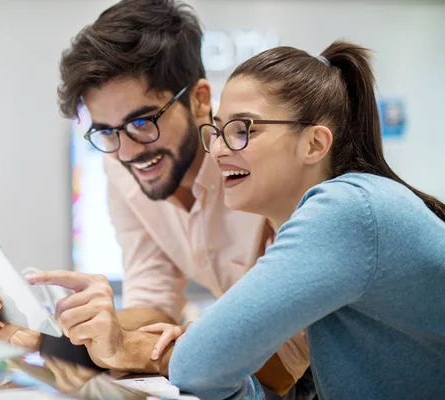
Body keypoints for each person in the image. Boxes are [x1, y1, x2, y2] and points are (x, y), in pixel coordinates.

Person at [38, 39, 445, 399]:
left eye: (241, 129)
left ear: (314, 143)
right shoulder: (342, 211)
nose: (217, 151)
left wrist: (138, 349)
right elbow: (228, 375)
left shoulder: (346, 211)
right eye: (217, 131)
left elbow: (202, 364)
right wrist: (58, 337)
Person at [0, 0, 311, 395]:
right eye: (107, 132)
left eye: (142, 122)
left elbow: (289, 365)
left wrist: (131, 349)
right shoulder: (124, 167)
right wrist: (52, 338)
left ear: (198, 100)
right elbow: (155, 298)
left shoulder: (264, 165)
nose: (127, 152)